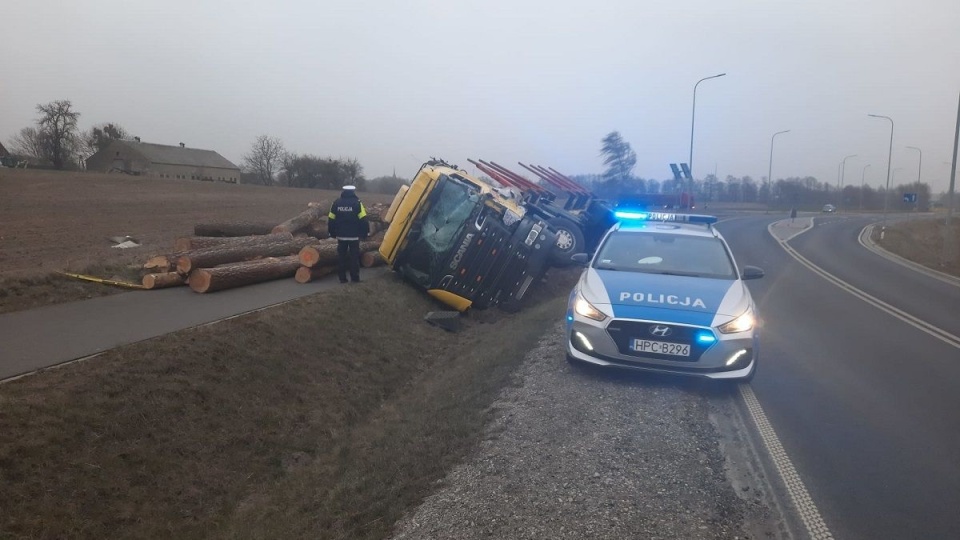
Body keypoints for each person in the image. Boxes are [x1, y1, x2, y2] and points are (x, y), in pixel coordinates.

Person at [328, 185, 369, 283]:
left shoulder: (336, 203)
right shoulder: (357, 203)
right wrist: (365, 233)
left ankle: (342, 278)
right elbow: (363, 220)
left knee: (341, 257)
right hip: (354, 236)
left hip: (341, 236)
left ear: (343, 191)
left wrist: (332, 232)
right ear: (353, 192)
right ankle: (355, 278)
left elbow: (331, 219)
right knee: (354, 257)